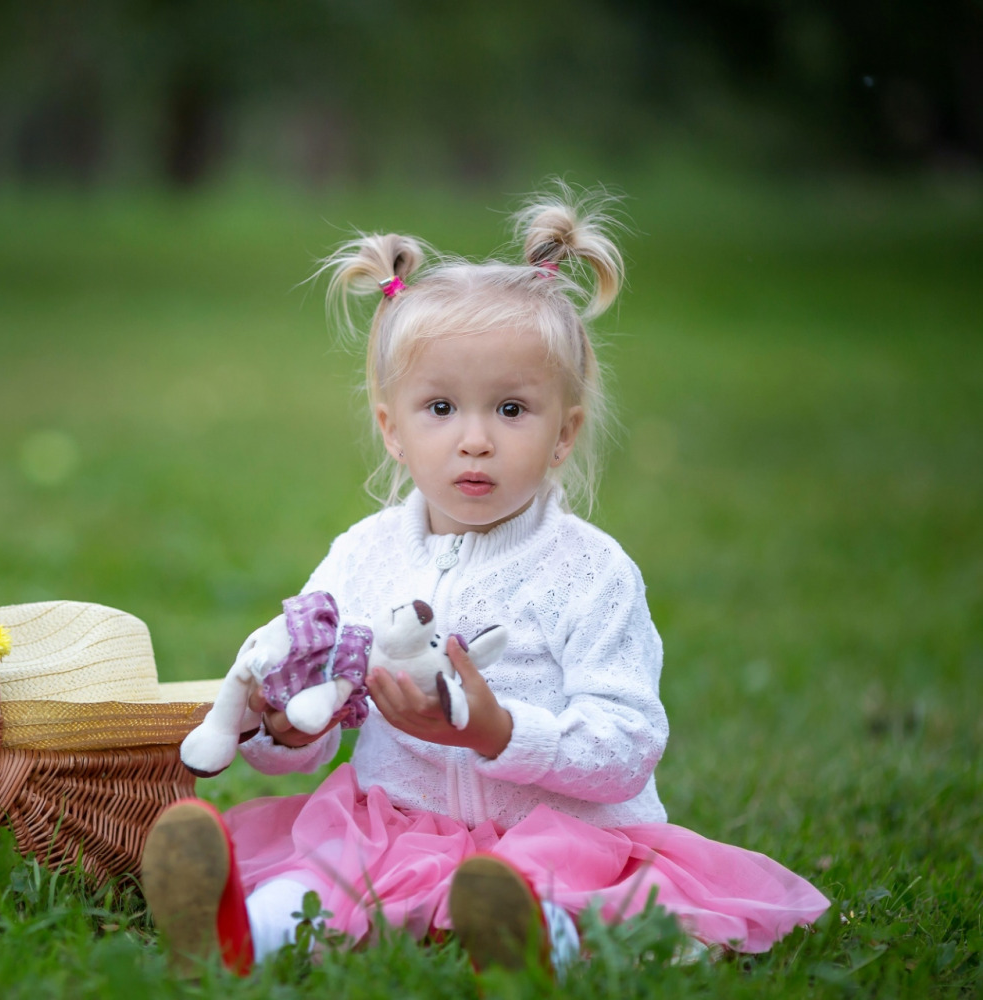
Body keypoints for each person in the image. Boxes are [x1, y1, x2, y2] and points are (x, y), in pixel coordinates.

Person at [141, 187, 830, 976]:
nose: (474, 440)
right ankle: (236, 934)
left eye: (510, 409)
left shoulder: (591, 573)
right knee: (329, 876)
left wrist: (499, 734)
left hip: (556, 833)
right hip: (400, 825)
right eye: (440, 408)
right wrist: (285, 729)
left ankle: (532, 943)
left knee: (560, 892)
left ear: (563, 432)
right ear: (392, 429)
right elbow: (321, 698)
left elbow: (628, 744)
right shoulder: (363, 555)